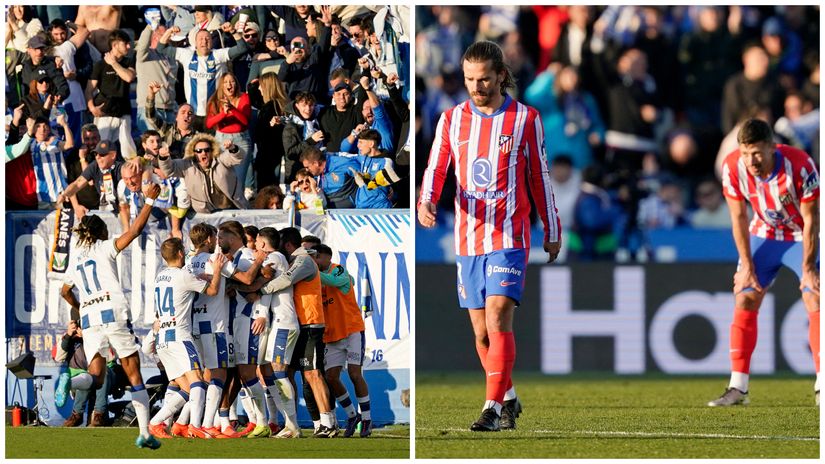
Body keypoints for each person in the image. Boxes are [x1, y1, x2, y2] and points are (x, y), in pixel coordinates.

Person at [417, 41, 561, 432]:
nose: (476, 86)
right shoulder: (451, 120)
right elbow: (436, 168)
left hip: (510, 236)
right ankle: (509, 397)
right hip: (468, 238)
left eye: (483, 79)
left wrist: (551, 226)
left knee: (498, 317)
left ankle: (492, 409)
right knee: (482, 335)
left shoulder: (525, 119)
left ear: (501, 76)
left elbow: (538, 175)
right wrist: (426, 201)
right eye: (469, 79)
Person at [709, 118, 819, 407]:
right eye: (746, 153)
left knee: (815, 297)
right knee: (745, 298)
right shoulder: (733, 167)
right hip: (765, 234)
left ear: (772, 147)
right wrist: (746, 265)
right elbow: (739, 217)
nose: (751, 160)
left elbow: (811, 220)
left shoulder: (801, 164)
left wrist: (808, 269)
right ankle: (737, 388)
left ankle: (822, 384)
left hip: (800, 235)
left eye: (757, 152)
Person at [59, 182, 163, 449]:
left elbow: (64, 290)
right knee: (133, 373)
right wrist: (149, 201)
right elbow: (136, 229)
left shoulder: (76, 258)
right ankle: (144, 433)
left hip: (91, 317)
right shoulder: (105, 247)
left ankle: (70, 379)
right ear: (100, 232)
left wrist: (81, 306)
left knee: (96, 376)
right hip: (112, 311)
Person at [146, 238, 225, 439]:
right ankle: (196, 426)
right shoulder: (183, 276)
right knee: (198, 380)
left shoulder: (160, 276)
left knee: (188, 389)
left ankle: (156, 422)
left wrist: (200, 275)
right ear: (181, 254)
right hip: (180, 335)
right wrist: (216, 270)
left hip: (162, 338)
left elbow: (188, 281)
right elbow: (213, 290)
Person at [312, 244, 373, 438]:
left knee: (355, 374)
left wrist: (310, 271)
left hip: (352, 330)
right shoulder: (315, 279)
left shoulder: (337, 269)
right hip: (331, 335)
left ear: (327, 257)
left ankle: (367, 419)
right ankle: (351, 415)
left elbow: (336, 282)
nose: (314, 261)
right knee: (331, 377)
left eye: (317, 257)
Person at [157, 134, 249, 213]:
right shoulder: (186, 165)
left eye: (207, 150)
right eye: (199, 151)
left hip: (232, 208)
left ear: (212, 151)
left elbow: (238, 157)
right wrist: (163, 158)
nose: (203, 152)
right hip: (205, 213)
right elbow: (169, 170)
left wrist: (232, 148)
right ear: (193, 152)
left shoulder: (221, 159)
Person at [85, 29, 138, 160]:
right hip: (104, 113)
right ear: (114, 45)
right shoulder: (100, 65)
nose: (128, 46)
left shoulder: (128, 61)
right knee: (102, 149)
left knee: (129, 151)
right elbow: (89, 90)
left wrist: (114, 63)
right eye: (125, 43)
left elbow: (129, 77)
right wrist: (92, 108)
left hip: (123, 112)